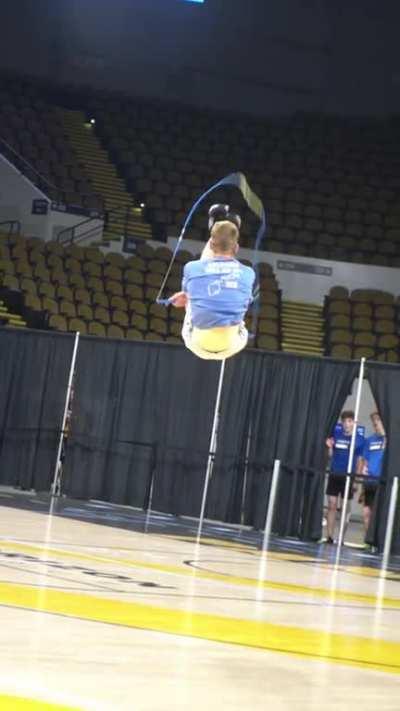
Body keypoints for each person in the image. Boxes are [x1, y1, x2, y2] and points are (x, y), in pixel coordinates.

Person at [170, 206, 256, 360]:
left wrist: (187, 297)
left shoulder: (191, 268)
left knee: (191, 297)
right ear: (236, 247)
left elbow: (187, 296)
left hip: (196, 343)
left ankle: (218, 226)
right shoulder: (248, 273)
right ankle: (224, 227)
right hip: (233, 343)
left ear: (210, 245)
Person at [324, 410, 365, 544]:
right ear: (341, 423)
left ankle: (341, 537)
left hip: (349, 476)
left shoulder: (359, 440)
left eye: (349, 421)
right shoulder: (336, 434)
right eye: (344, 422)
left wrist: (357, 481)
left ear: (354, 423)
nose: (347, 424)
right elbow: (331, 455)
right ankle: (329, 536)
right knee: (331, 504)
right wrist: (330, 447)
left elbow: (360, 461)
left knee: (345, 507)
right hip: (335, 473)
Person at [359, 412, 386, 535]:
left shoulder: (389, 440)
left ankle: (377, 541)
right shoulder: (369, 440)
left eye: (378, 421)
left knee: (379, 514)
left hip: (382, 483)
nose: (376, 424)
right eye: (374, 422)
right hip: (369, 482)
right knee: (366, 513)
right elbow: (364, 460)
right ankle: (368, 541)